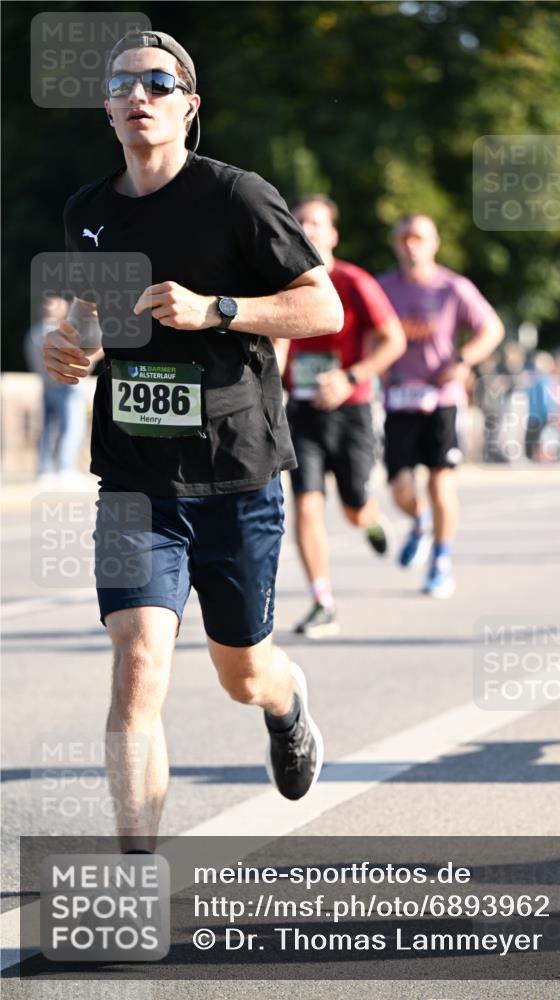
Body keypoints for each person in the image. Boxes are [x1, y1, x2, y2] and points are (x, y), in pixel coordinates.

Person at [42, 29, 344, 851]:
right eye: (121, 85)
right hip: (136, 480)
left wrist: (220, 308)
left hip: (236, 475)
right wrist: (72, 343)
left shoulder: (237, 197)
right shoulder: (89, 211)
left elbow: (324, 309)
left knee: (241, 671)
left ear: (188, 106)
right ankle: (137, 862)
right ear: (107, 108)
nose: (138, 96)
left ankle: (286, 704)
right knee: (138, 666)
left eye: (157, 83)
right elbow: (92, 321)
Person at [273, 195, 405, 637]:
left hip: (351, 412)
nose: (308, 229)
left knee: (351, 506)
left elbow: (393, 340)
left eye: (316, 222)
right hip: (303, 411)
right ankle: (321, 600)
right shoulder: (280, 282)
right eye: (300, 222)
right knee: (307, 504)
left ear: (332, 234)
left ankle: (368, 518)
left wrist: (351, 377)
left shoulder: (354, 281)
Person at [378, 214, 504, 597]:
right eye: (404, 237)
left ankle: (441, 561)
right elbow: (369, 333)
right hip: (400, 399)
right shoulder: (383, 288)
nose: (411, 244)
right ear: (396, 244)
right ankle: (419, 521)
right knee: (399, 487)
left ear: (434, 243)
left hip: (442, 400)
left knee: (440, 483)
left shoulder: (453, 287)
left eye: (419, 237)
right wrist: (377, 367)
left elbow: (492, 329)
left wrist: (463, 360)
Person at [24, 294, 87, 481]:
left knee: (47, 430)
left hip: (46, 386)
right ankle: (65, 468)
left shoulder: (33, 332)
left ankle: (44, 469)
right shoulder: (58, 332)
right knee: (72, 428)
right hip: (65, 386)